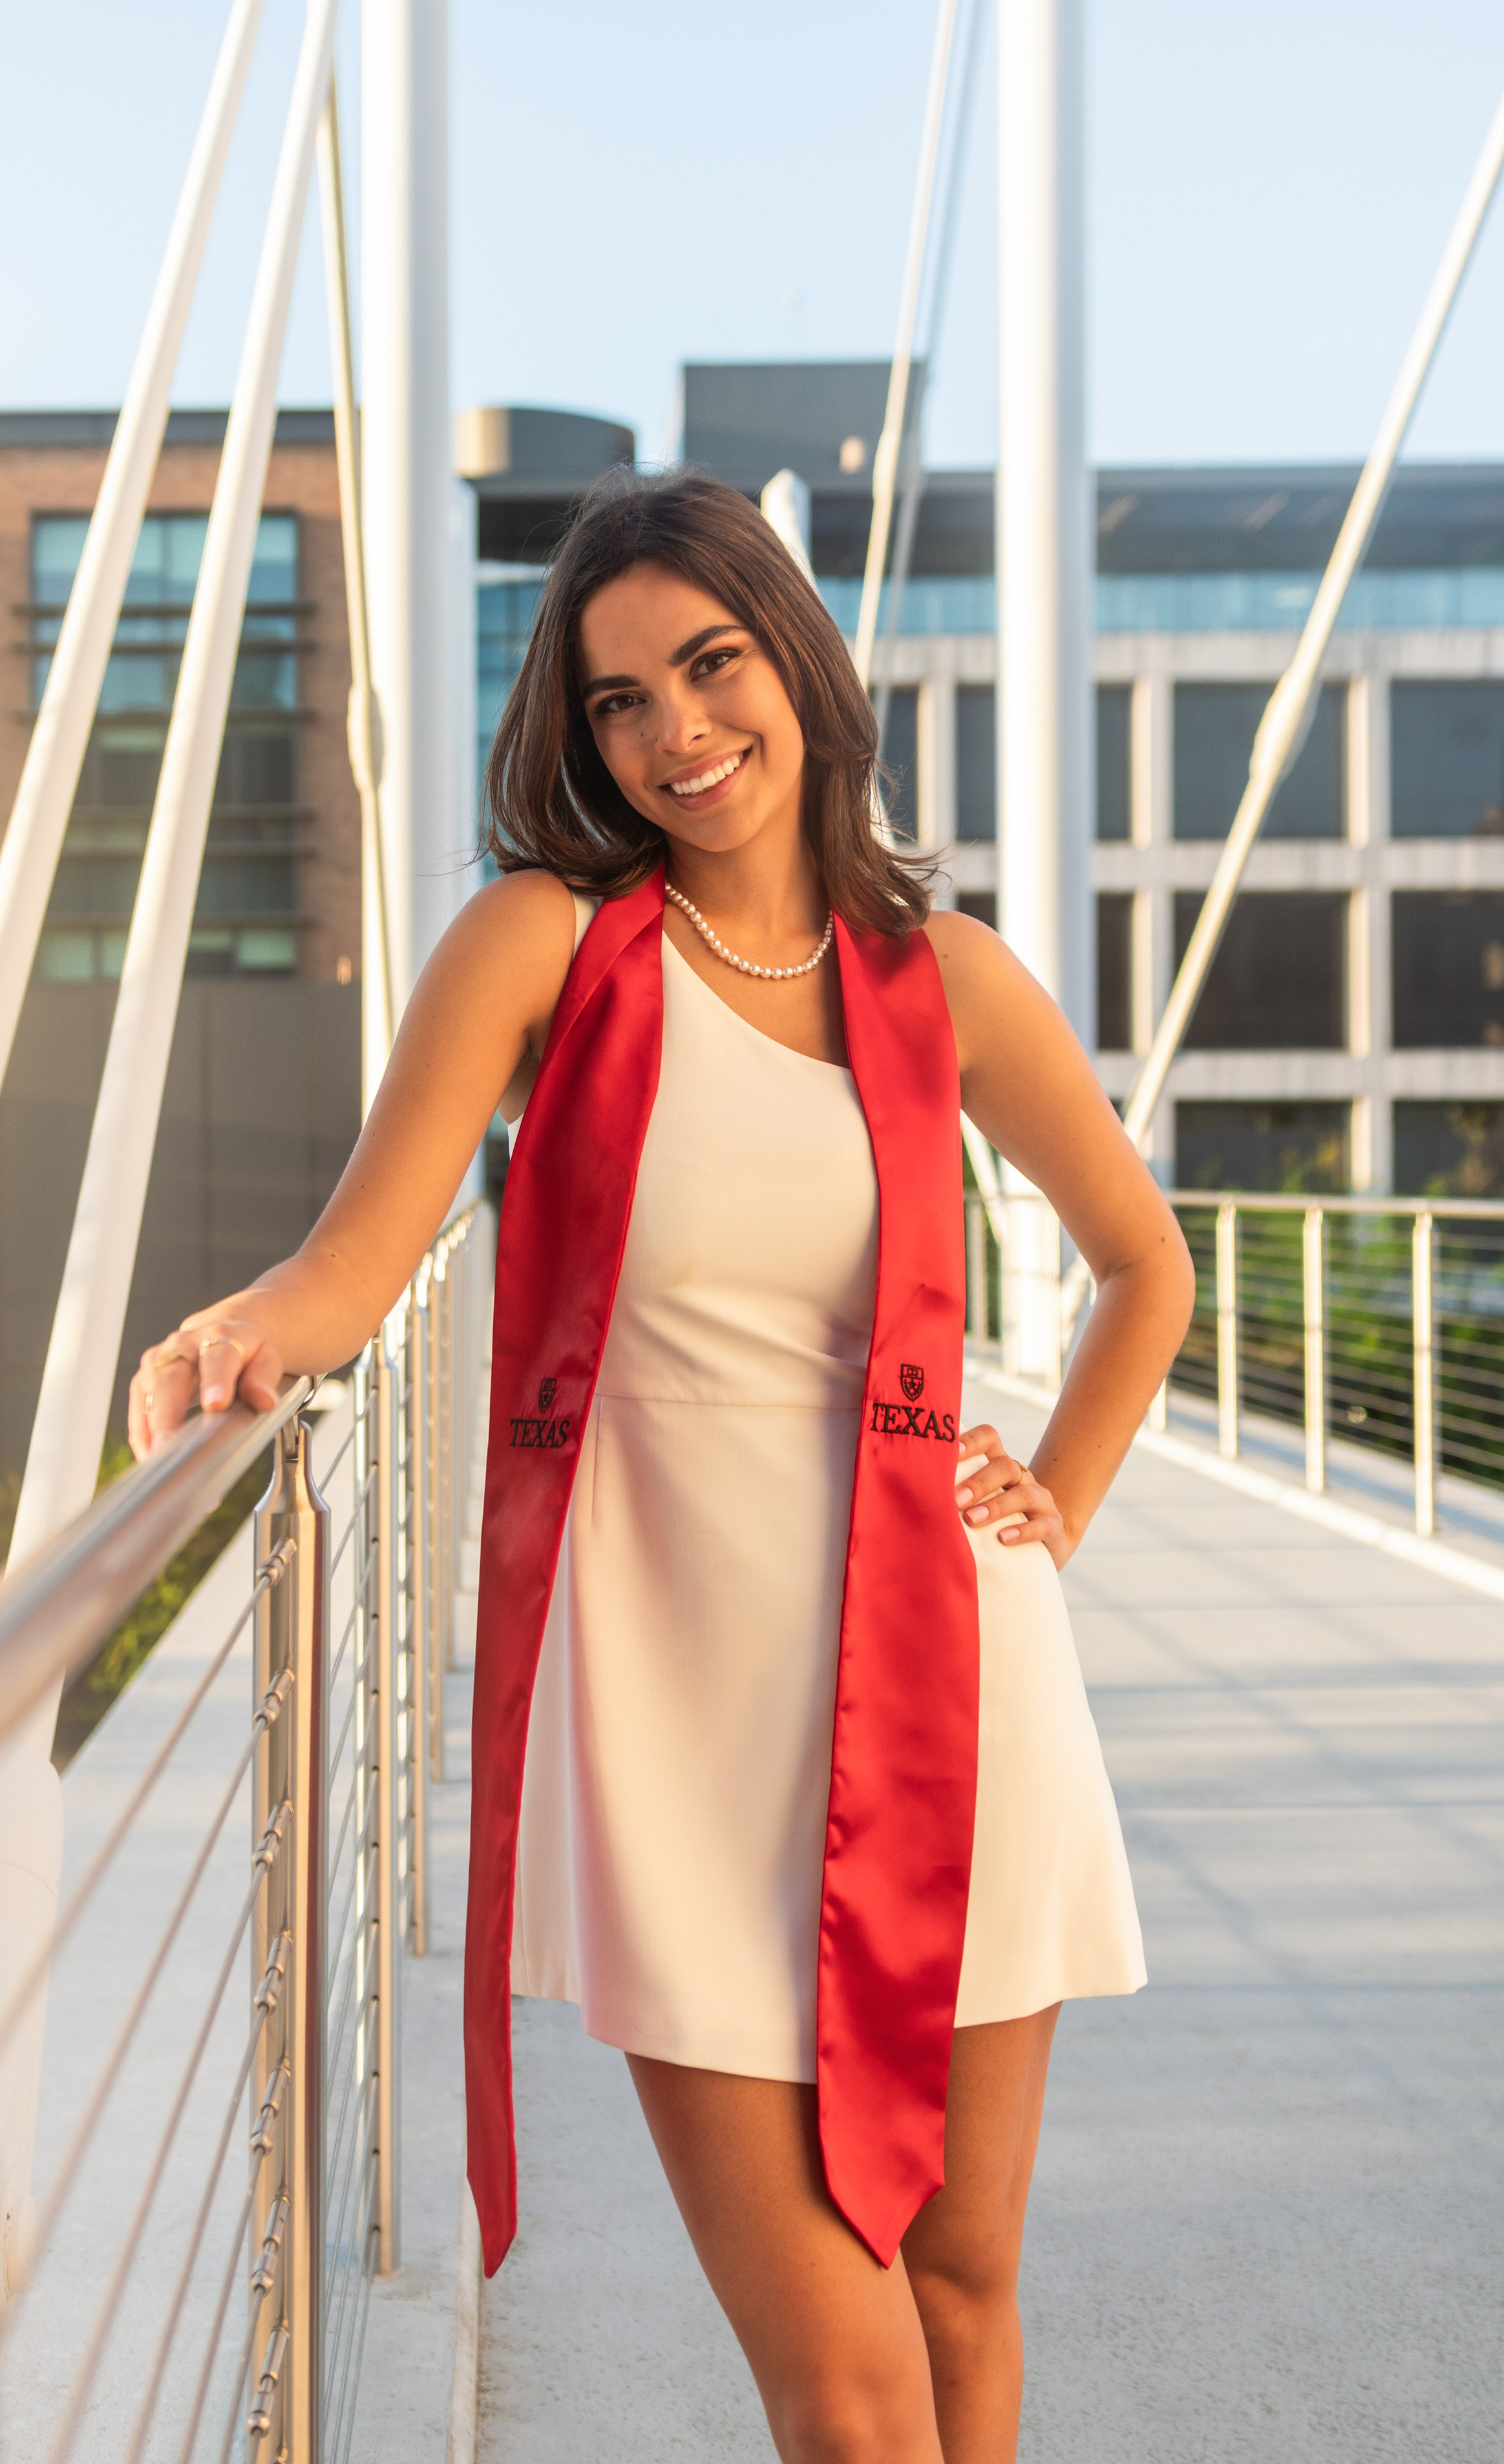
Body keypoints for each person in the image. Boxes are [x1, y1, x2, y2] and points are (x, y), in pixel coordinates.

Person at [131, 471, 1194, 2463]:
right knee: (851, 2386)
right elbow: (356, 1258)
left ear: (795, 658)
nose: (677, 732)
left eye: (710, 664)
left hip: (956, 1691)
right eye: (619, 699)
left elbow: (1150, 1263)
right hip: (686, 1724)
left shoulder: (945, 982)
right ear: (582, 733)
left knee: (963, 2297)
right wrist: (243, 1330)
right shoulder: (547, 943)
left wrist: (1057, 1494)